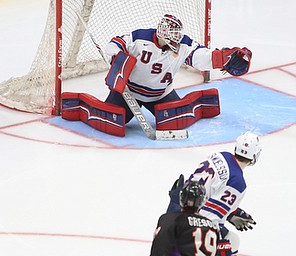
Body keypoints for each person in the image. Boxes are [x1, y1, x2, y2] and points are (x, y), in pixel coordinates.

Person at [61, 14, 252, 137]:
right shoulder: (140, 37)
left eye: (178, 34)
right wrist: (116, 59)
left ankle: (199, 103)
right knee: (112, 122)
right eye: (173, 34)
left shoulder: (183, 44)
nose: (177, 38)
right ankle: (80, 104)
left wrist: (222, 59)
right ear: (162, 33)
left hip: (161, 94)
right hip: (129, 93)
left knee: (174, 121)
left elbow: (201, 56)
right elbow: (116, 43)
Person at [167, 131, 262, 255]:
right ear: (255, 156)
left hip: (176, 205)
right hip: (188, 222)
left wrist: (231, 214)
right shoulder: (238, 183)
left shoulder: (221, 155)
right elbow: (209, 216)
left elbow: (209, 193)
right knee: (230, 243)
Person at [150, 180, 219, 256]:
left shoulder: (170, 219)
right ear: (201, 201)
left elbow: (159, 250)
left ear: (182, 197)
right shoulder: (213, 227)